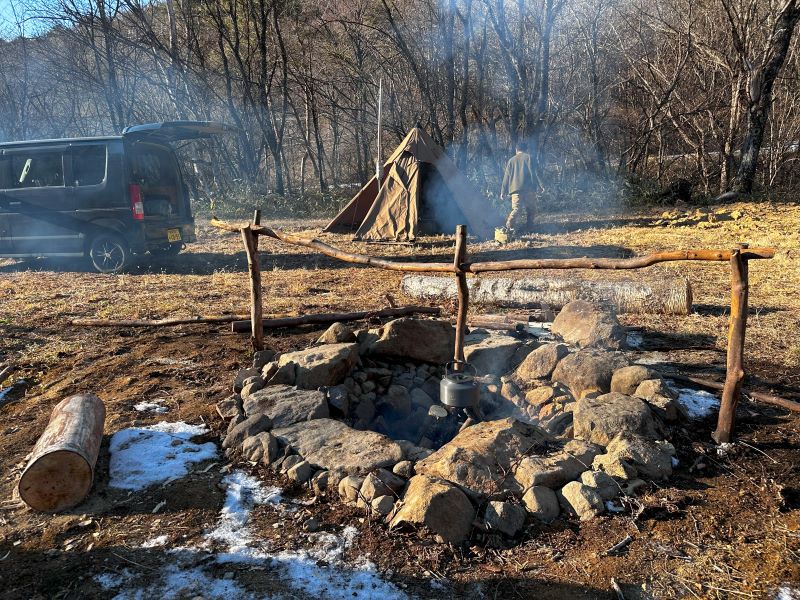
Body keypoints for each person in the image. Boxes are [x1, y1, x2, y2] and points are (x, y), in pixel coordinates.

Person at [499, 141, 537, 233]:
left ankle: (509, 225)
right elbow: (534, 173)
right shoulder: (529, 158)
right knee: (531, 209)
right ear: (526, 149)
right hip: (528, 189)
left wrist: (503, 191)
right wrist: (538, 186)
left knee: (516, 209)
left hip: (515, 190)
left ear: (516, 149)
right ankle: (530, 227)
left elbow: (506, 177)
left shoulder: (511, 160)